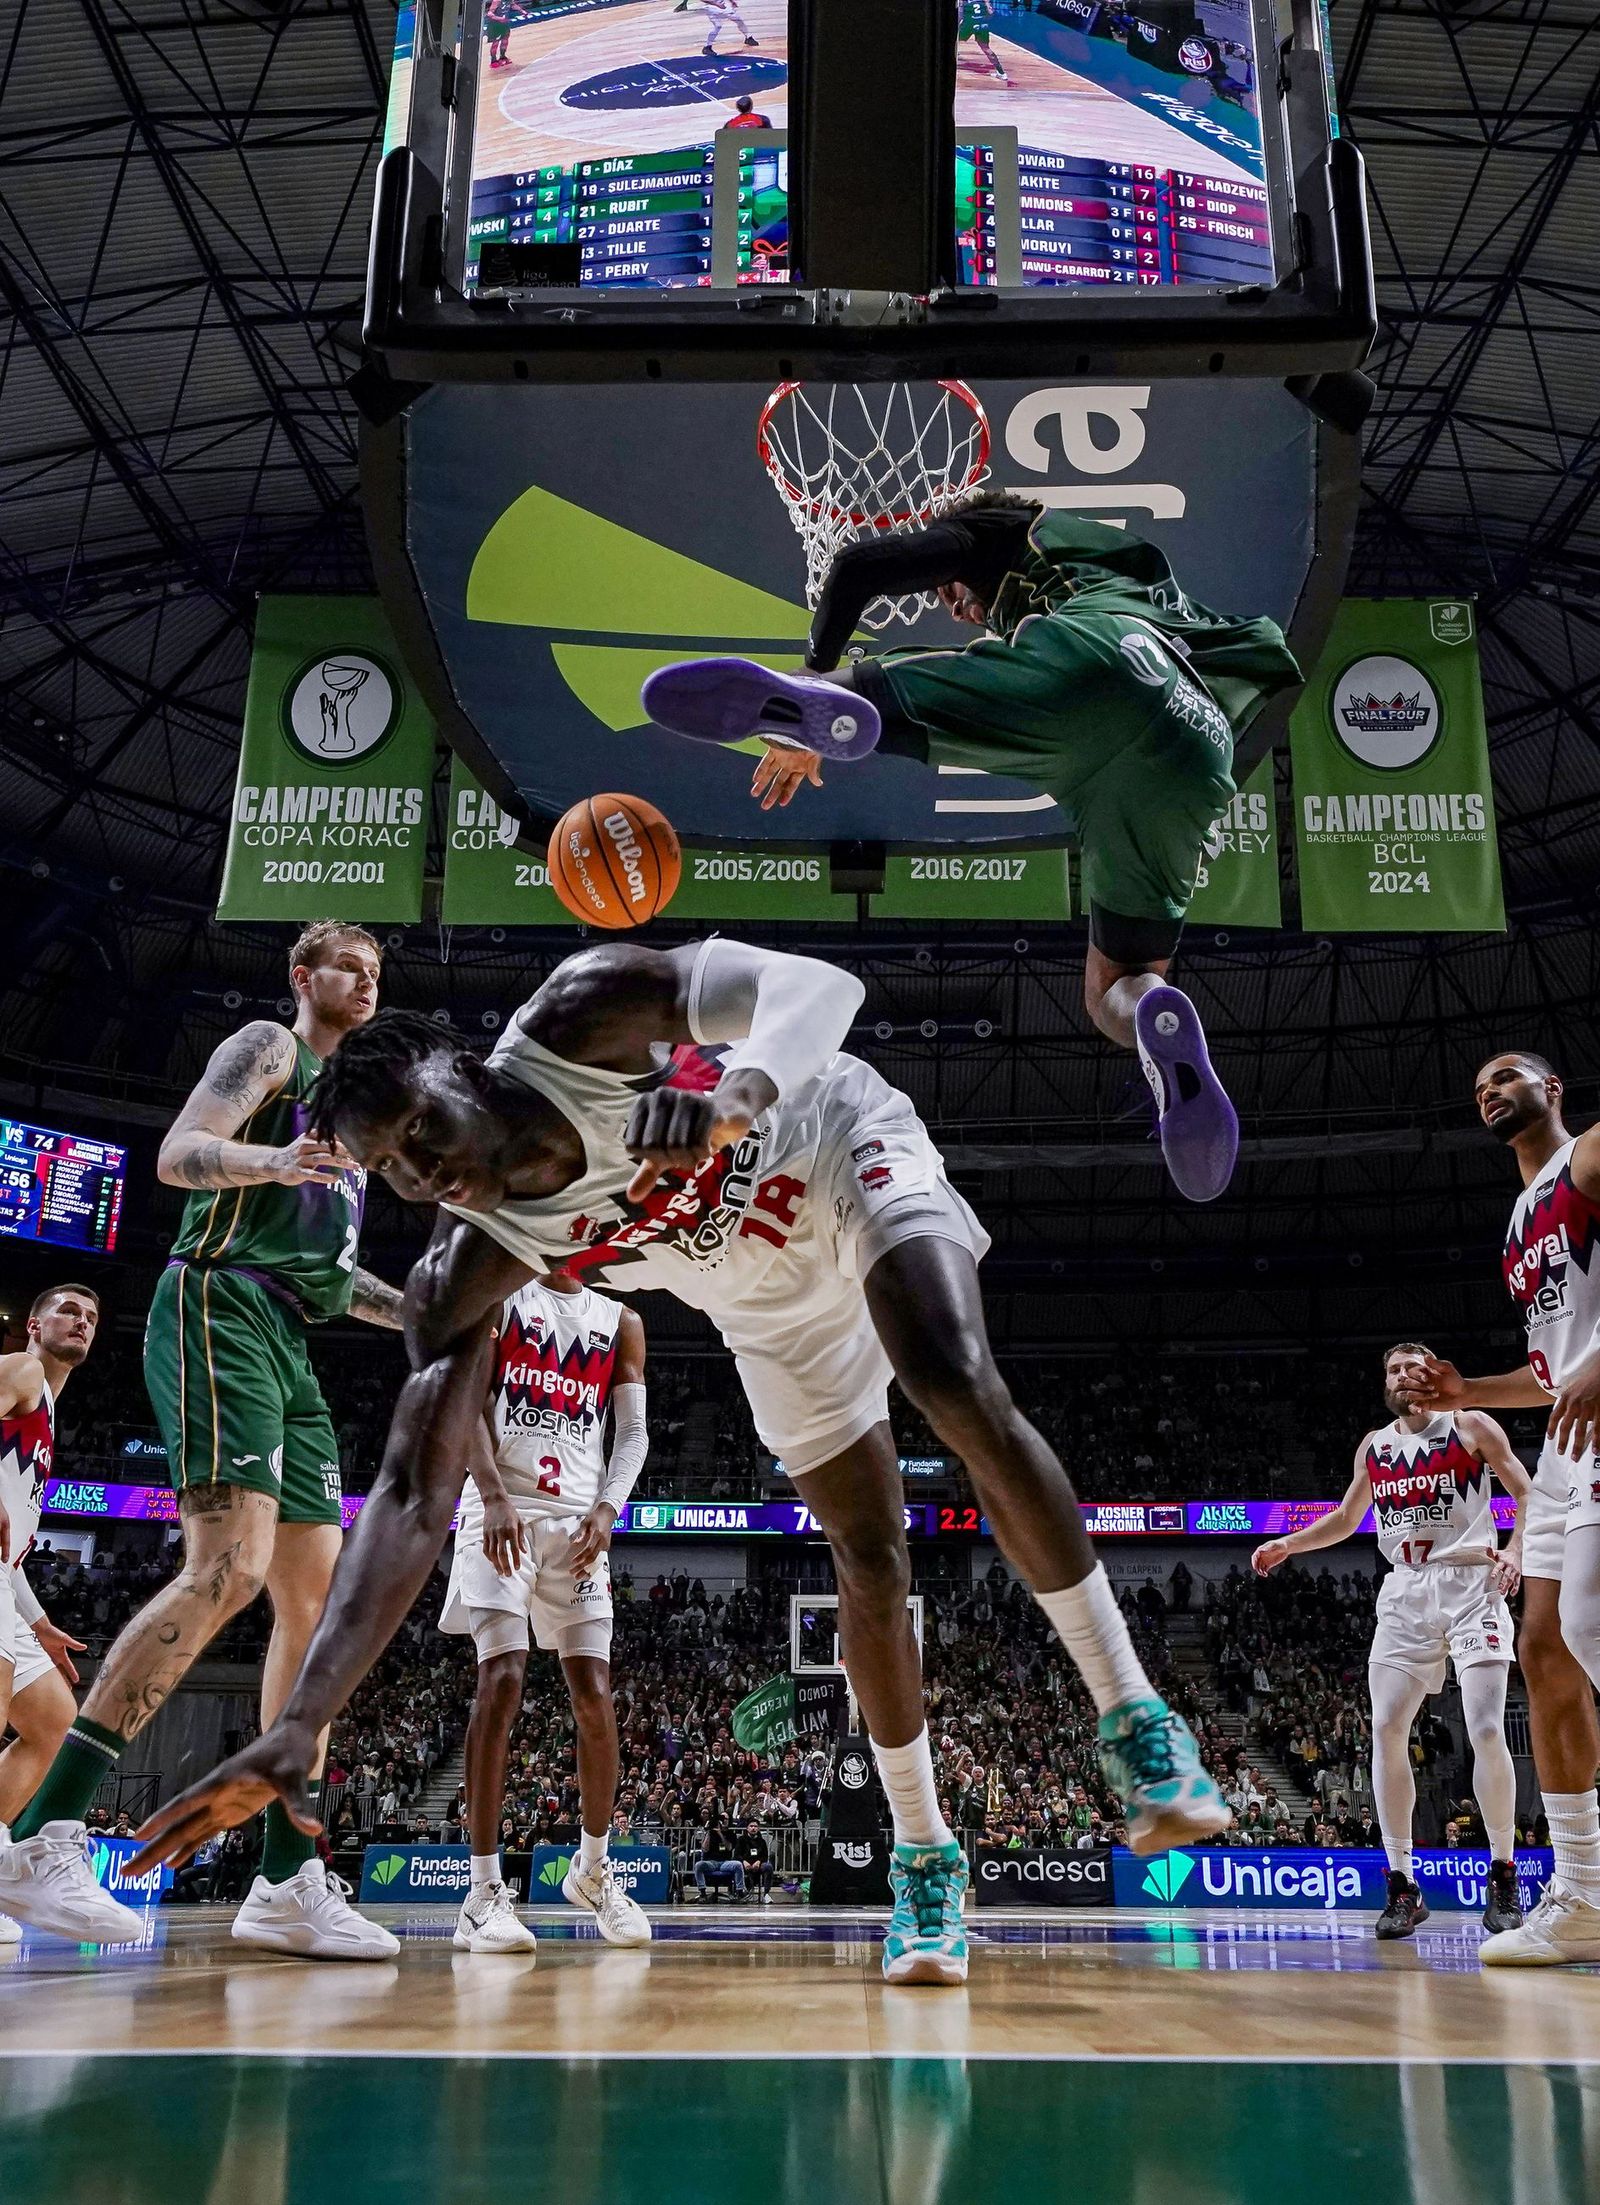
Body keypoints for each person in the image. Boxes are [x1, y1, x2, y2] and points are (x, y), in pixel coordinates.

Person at [128, 938, 1230, 1988]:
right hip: (763, 1302)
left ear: (462, 1070)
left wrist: (733, 1095)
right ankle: (924, 1856)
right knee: (869, 1559)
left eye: (419, 1125)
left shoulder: (579, 1012)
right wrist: (299, 1722)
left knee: (951, 1376)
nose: (419, 1172)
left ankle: (1134, 1715)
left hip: (835, 1143)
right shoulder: (468, 1267)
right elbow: (417, 1492)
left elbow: (820, 986)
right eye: (390, 1168)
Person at [640, 496, 1303, 1204]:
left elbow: (858, 566)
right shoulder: (1134, 573)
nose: (955, 607)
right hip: (1199, 748)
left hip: (1105, 664)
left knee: (893, 695)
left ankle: (815, 704)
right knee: (1117, 980)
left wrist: (815, 662)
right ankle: (1153, 1010)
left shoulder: (1011, 531)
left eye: (948, 591)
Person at [0, 921, 404, 1958]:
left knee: (316, 1612)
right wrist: (274, 1156)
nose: (361, 982)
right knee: (229, 1568)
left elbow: (332, 1284)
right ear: (302, 975)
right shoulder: (271, 1048)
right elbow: (178, 1157)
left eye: (373, 971)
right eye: (344, 966)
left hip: (288, 1336)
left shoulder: (350, 1135)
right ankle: (45, 1835)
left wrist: (423, 1315)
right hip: (217, 1305)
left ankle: (283, 1877)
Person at [1398, 1052, 1600, 1964]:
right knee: (1544, 1647)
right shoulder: (1520, 1219)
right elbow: (1556, 1365)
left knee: (1588, 1629)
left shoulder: (1588, 1157)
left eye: (1507, 1075)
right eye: (1477, 1082)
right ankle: (1584, 1892)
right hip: (1563, 1441)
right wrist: (1466, 1390)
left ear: (1552, 1089)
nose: (1488, 1087)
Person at [1251, 1341, 1529, 1941]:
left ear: (1433, 1375)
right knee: (1385, 1729)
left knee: (1484, 1727)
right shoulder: (1375, 1446)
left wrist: (1516, 1551)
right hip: (1404, 1592)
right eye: (1393, 1370)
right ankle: (1402, 1884)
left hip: (1471, 1583)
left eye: (1413, 1367)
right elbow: (1349, 1519)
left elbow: (1529, 1495)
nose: (1403, 1376)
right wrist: (1289, 1544)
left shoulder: (1471, 1425)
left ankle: (1504, 1872)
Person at [444, 1269, 651, 1955]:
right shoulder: (502, 1298)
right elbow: (465, 1401)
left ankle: (592, 1870)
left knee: (594, 1695)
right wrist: (494, 1493)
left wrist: (608, 1508)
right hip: (499, 1511)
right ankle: (480, 1893)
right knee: (501, 1679)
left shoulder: (620, 1320)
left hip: (578, 1525)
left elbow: (633, 1433)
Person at [0, 1285, 99, 1941]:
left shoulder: (53, 1412)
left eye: (90, 1317)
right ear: (35, 1323)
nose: (81, 1322)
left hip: (6, 1587)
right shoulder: (23, 1368)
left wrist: (36, 1619)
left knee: (54, 1722)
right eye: (68, 1310)